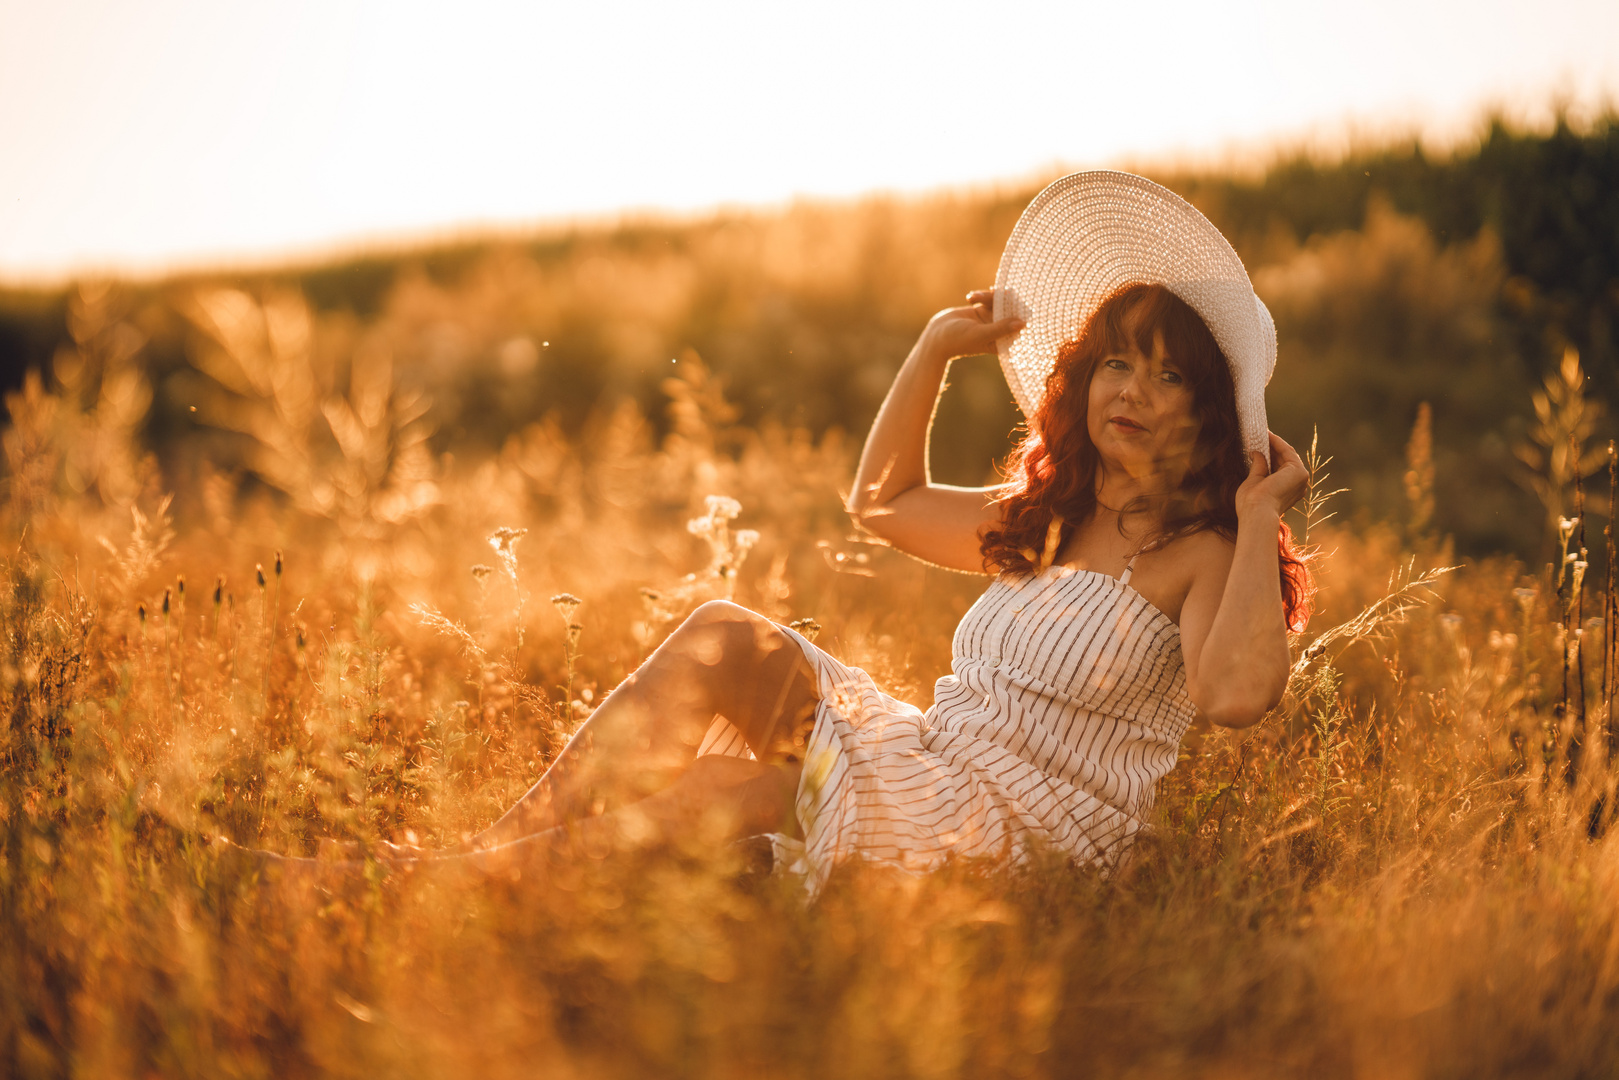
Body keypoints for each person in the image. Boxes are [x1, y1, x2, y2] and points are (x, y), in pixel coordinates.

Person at [249, 172, 1312, 888]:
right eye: (1117, 359)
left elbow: (1231, 697)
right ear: (1083, 378)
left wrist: (1254, 511)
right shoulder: (1050, 523)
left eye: (1169, 373)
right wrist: (935, 349)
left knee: (741, 794)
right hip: (933, 762)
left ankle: (430, 885)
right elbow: (882, 503)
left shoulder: (1198, 557)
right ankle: (466, 868)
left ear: (1210, 413)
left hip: (1022, 834)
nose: (1132, 388)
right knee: (720, 638)